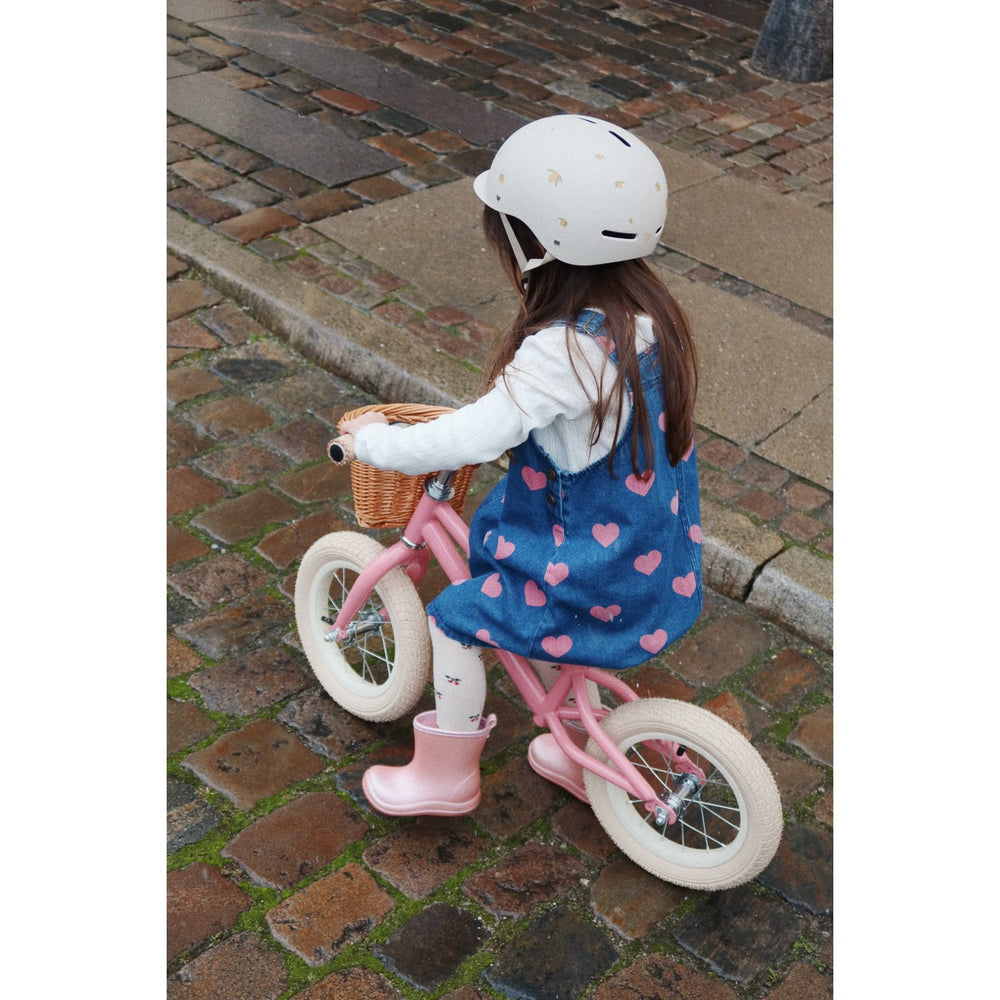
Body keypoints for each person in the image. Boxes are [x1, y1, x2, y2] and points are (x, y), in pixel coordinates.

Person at [339, 114, 702, 817]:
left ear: (533, 244)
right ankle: (581, 748)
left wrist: (376, 442)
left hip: (588, 574)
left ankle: (446, 778)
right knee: (539, 611)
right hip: (646, 556)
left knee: (454, 618)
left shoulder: (561, 354)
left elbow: (469, 438)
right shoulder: (647, 319)